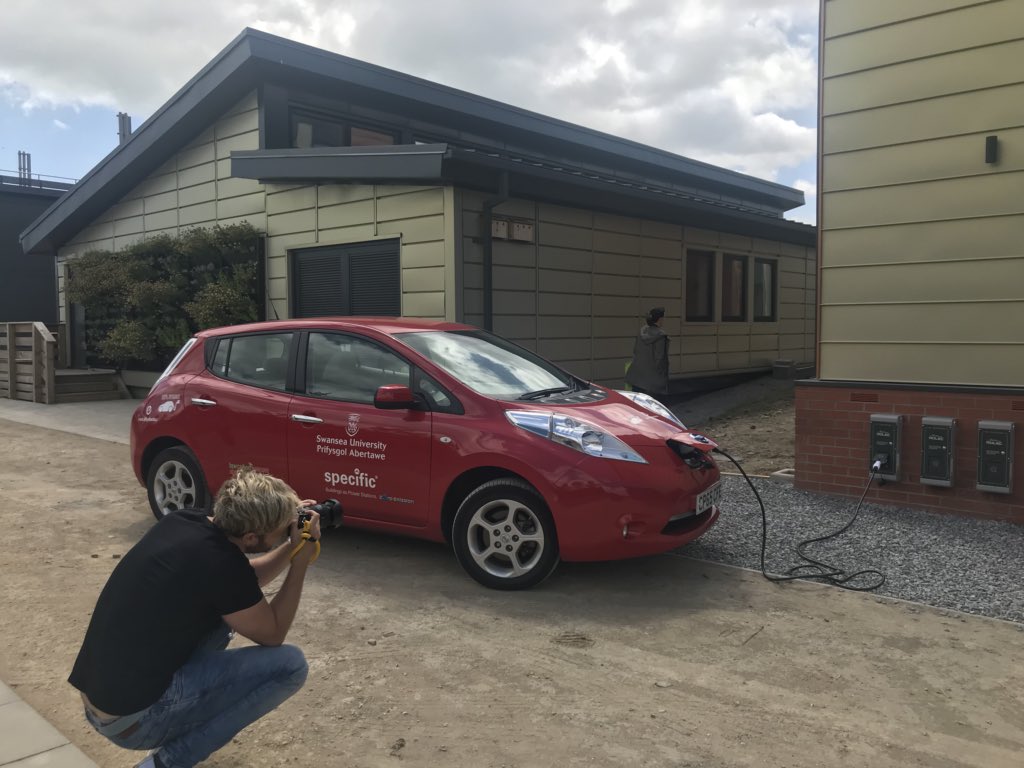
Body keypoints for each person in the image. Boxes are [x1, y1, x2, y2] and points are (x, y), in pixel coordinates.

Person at [69, 468, 322, 768]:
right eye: (280, 530)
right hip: (133, 722)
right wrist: (300, 563)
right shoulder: (221, 566)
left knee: (221, 622)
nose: (284, 533)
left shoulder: (185, 522)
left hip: (102, 700)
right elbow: (273, 632)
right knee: (290, 666)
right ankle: (166, 763)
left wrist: (293, 545)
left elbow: (241, 585)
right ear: (251, 537)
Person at [626, 306, 670, 398]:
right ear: (660, 319)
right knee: (651, 407)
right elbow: (660, 358)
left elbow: (635, 351)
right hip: (651, 381)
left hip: (637, 376)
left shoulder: (642, 332)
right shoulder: (660, 336)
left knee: (637, 404)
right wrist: (662, 377)